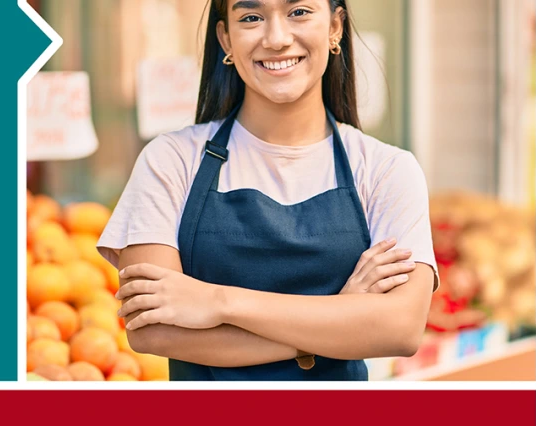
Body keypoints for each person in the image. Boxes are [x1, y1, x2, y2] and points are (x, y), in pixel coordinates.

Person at [97, 0, 439, 381]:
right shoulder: (171, 161)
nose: (276, 39)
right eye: (251, 18)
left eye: (299, 12)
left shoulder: (386, 170)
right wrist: (336, 319)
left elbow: (401, 328)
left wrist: (218, 302)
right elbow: (152, 329)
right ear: (226, 39)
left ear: (334, 28)